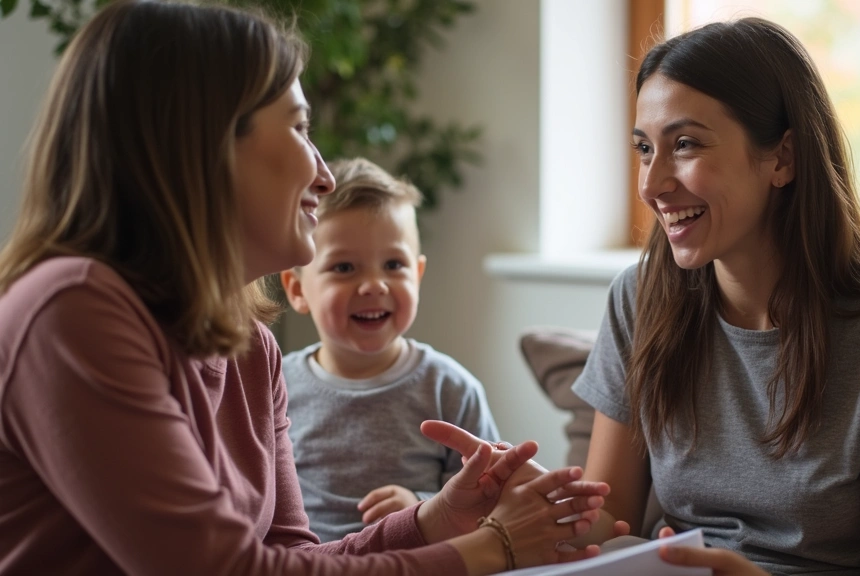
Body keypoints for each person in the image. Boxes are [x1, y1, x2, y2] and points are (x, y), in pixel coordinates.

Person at [0, 1, 610, 574]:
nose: (322, 173)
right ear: (202, 146)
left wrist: (434, 520)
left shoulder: (249, 348)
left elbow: (291, 553)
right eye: (298, 128)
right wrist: (488, 548)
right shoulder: (71, 312)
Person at [569, 17, 860, 575]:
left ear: (783, 158)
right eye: (646, 148)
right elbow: (607, 525)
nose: (652, 183)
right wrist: (529, 511)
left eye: (685, 144)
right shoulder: (641, 297)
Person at [278, 157, 501, 541]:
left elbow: (490, 501)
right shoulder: (275, 385)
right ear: (298, 289)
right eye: (345, 268)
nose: (374, 286)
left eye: (393, 264)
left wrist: (424, 506)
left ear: (417, 275)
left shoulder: (449, 388)